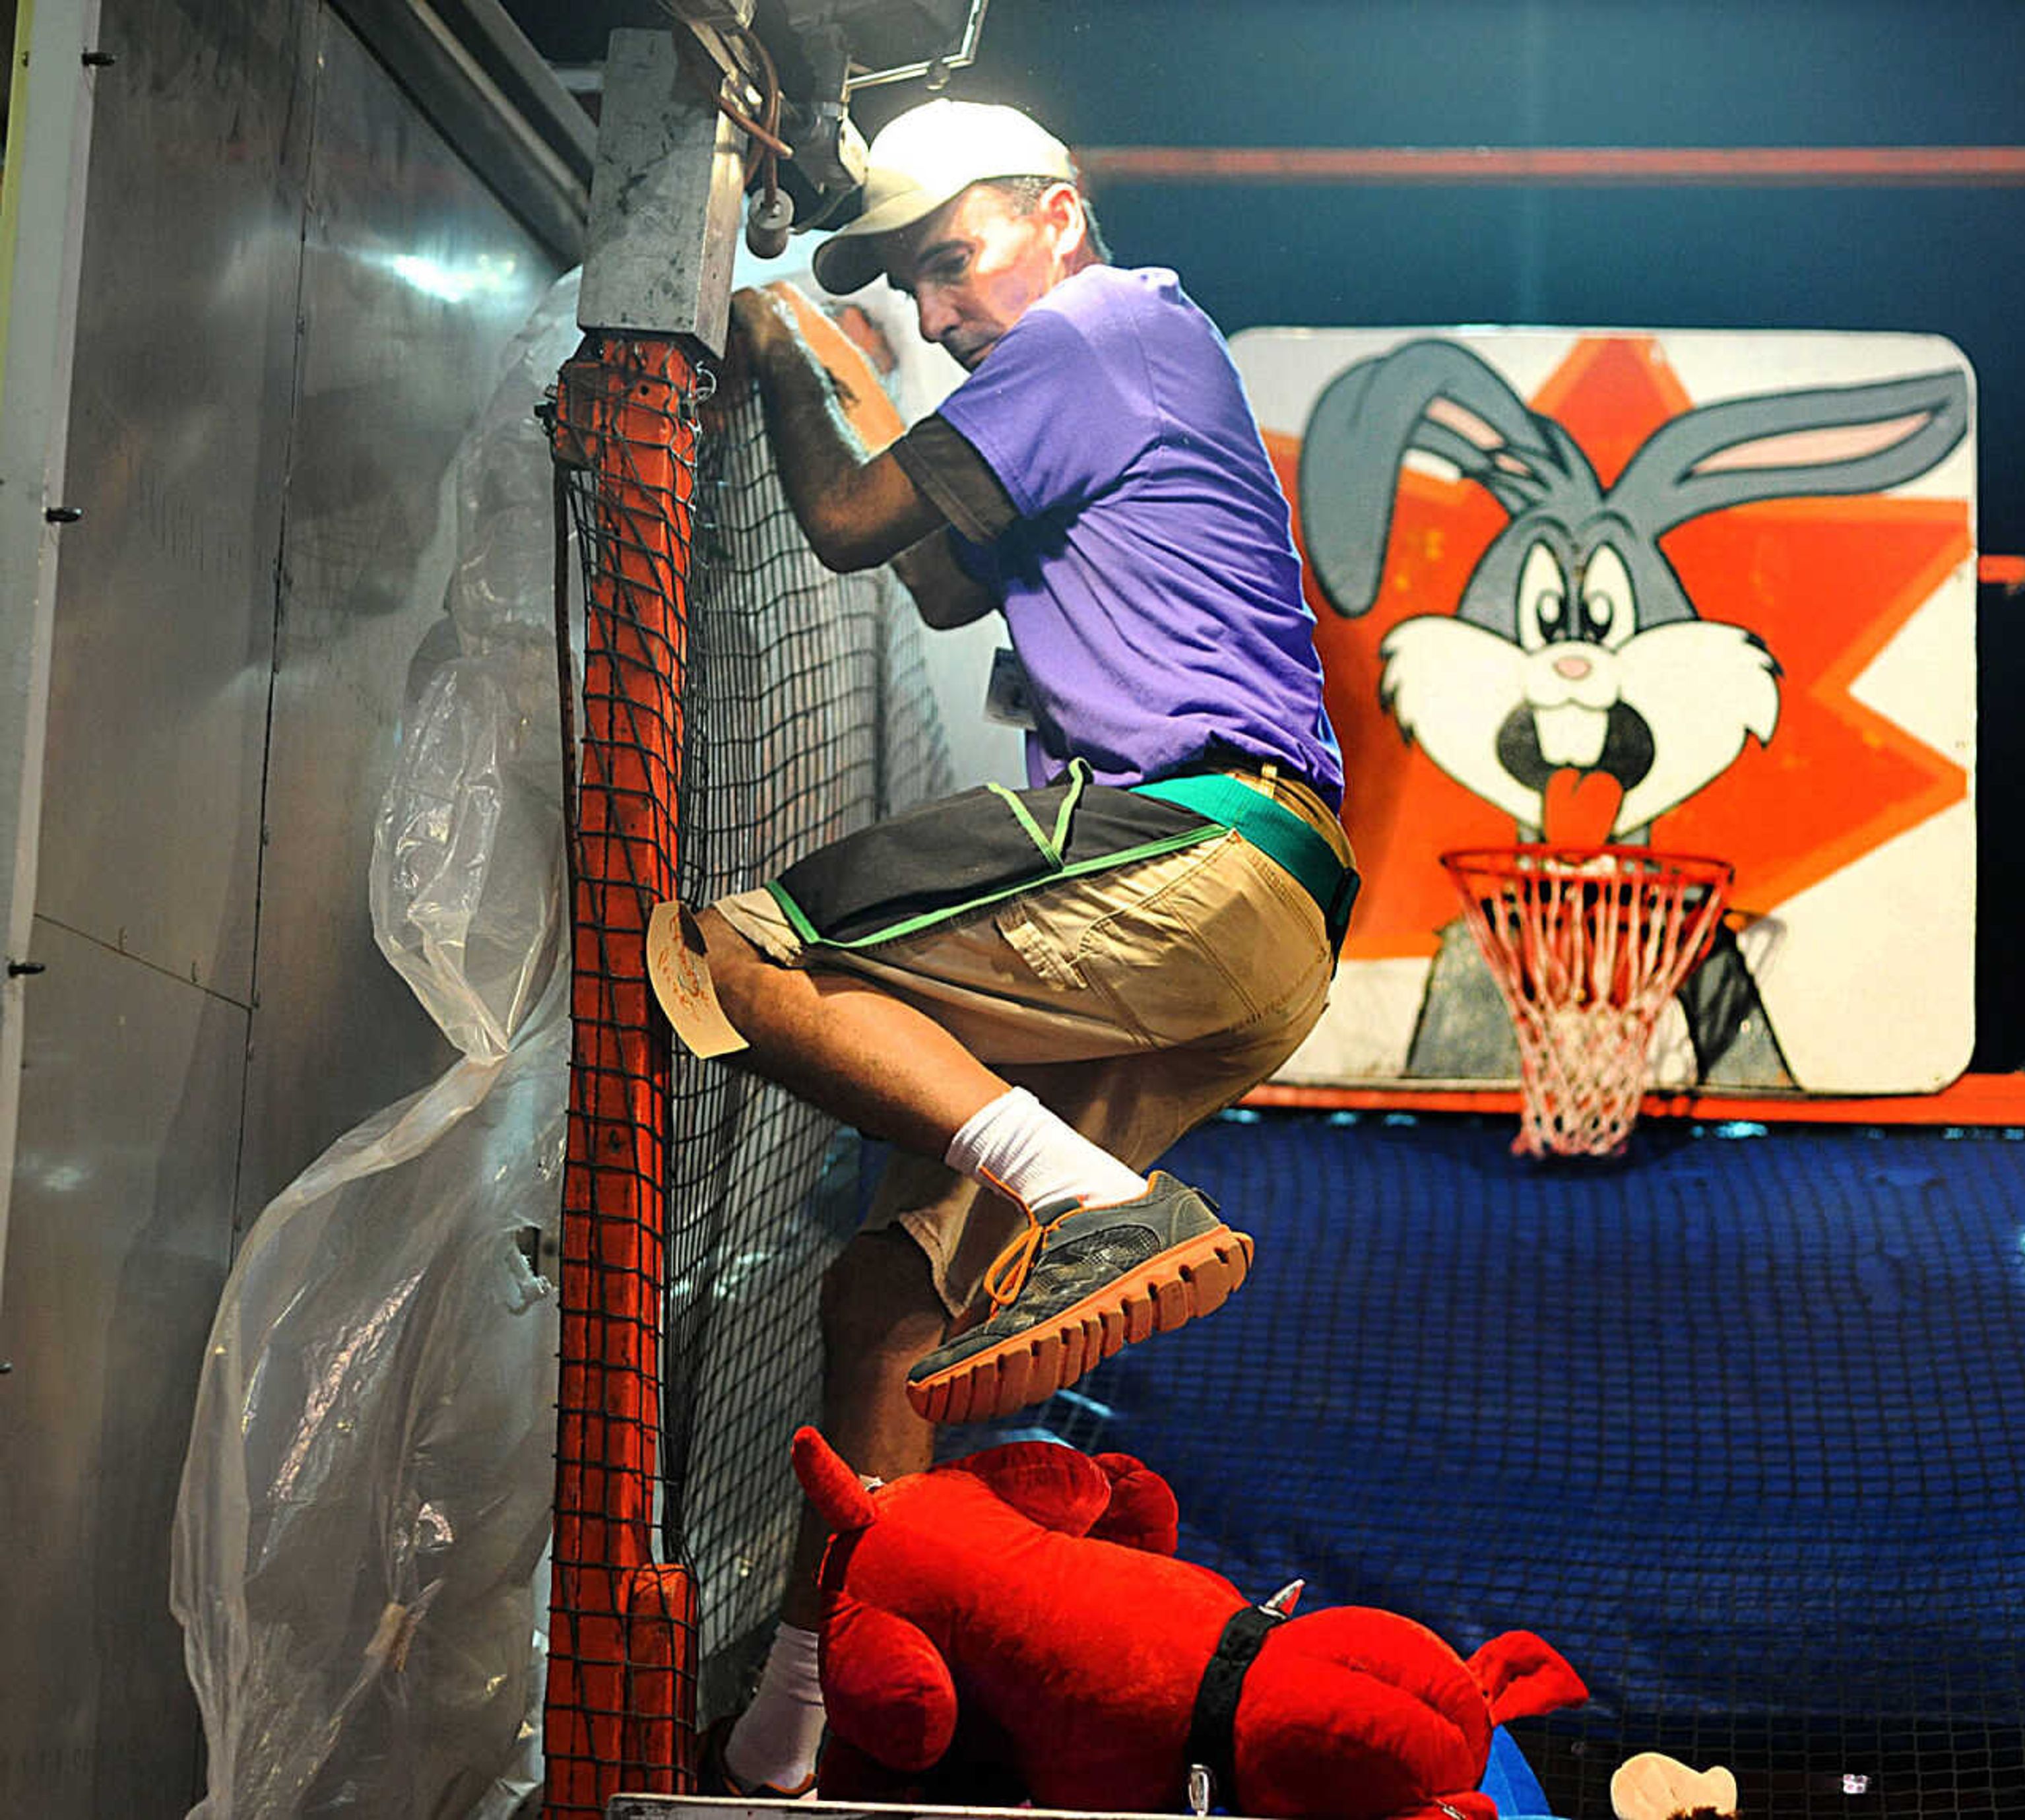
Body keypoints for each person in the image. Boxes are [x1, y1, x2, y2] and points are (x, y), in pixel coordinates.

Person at [667, 98, 1355, 1796]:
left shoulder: (1104, 326)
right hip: (1257, 936)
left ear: (1060, 215)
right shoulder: (1110, 370)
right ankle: (802, 1733)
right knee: (887, 1294)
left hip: (1188, 851)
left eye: (954, 259)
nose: (945, 309)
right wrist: (854, 363)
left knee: (735, 951)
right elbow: (948, 584)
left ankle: (1085, 1199)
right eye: (910, 286)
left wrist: (770, 335)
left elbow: (845, 521)